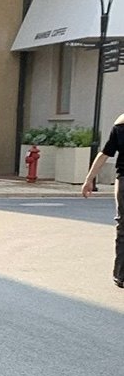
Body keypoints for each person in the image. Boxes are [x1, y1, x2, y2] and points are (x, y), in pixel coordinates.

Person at [81, 111, 124, 287]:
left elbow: (105, 154)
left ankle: (121, 274)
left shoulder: (120, 125)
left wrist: (89, 179)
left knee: (123, 227)